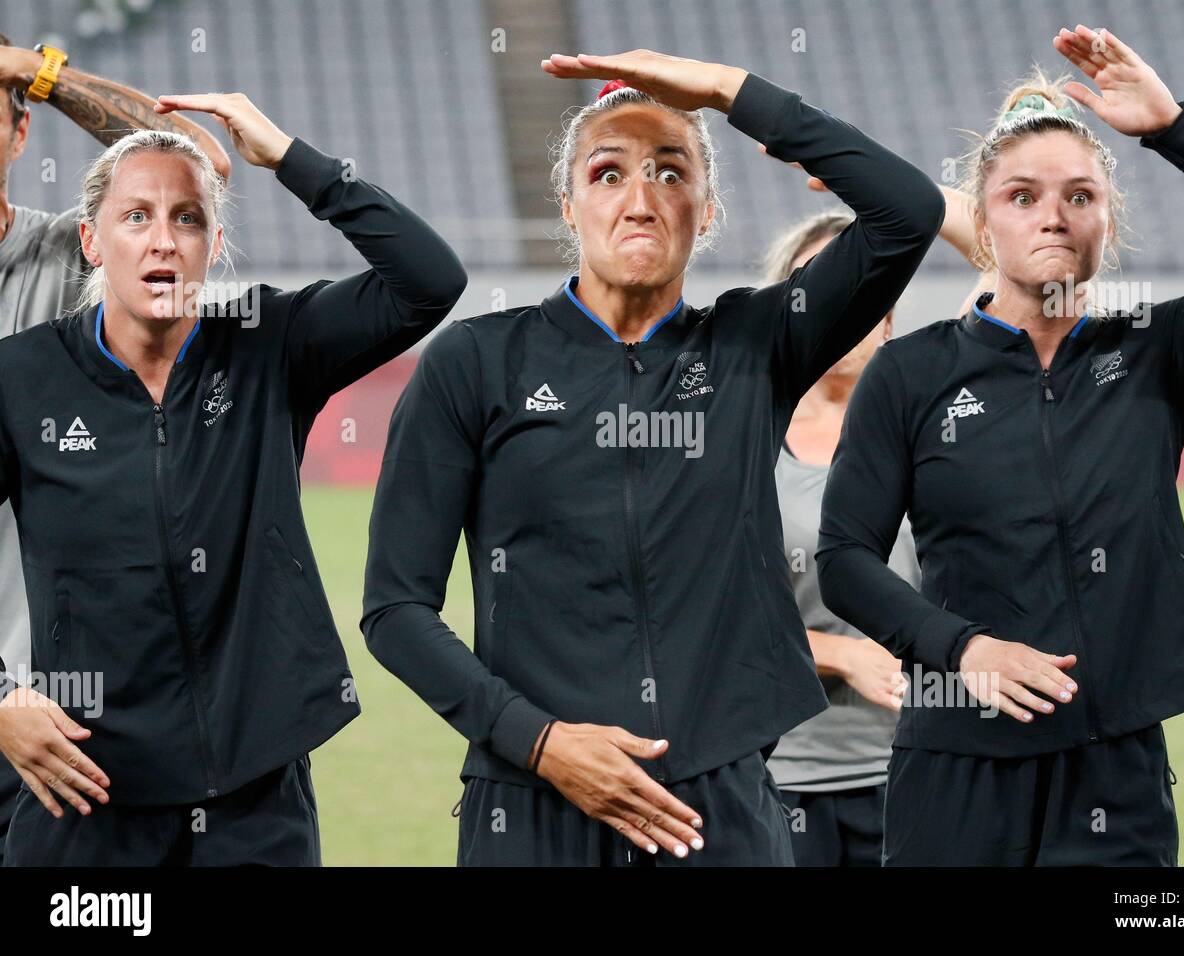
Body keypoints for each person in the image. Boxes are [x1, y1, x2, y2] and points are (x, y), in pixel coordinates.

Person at [362, 48, 944, 866]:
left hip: (719, 807)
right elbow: (396, 610)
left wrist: (727, 92)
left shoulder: (756, 345)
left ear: (708, 212)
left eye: (672, 173)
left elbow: (908, 212)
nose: (640, 201)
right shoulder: (474, 363)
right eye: (607, 174)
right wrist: (537, 742)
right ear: (567, 205)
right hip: (532, 804)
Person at [817, 26, 1184, 865]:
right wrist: (961, 647)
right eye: (1023, 196)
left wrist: (1172, 129)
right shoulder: (909, 372)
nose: (1054, 217)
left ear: (1108, 220)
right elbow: (845, 557)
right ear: (984, 218)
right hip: (956, 766)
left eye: (1080, 196)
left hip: (1115, 770)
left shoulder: (1157, 350)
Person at [0, 91, 467, 865]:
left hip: (256, 796)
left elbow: (427, 281)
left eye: (188, 219)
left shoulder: (268, 344)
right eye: (136, 217)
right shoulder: (22, 377)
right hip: (86, 791)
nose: (164, 242)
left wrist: (289, 158)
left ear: (214, 246)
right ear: (90, 240)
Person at [0, 33, 230, 865]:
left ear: (20, 133)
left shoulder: (68, 250)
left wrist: (39, 72)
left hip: (62, 704)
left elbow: (199, 160)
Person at [763, 192, 981, 866]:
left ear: (886, 319)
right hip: (779, 779)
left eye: (858, 289)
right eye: (817, 289)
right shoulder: (739, 442)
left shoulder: (934, 429)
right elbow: (695, 610)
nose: (839, 310)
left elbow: (1014, 273)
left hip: (921, 771)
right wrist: (838, 654)